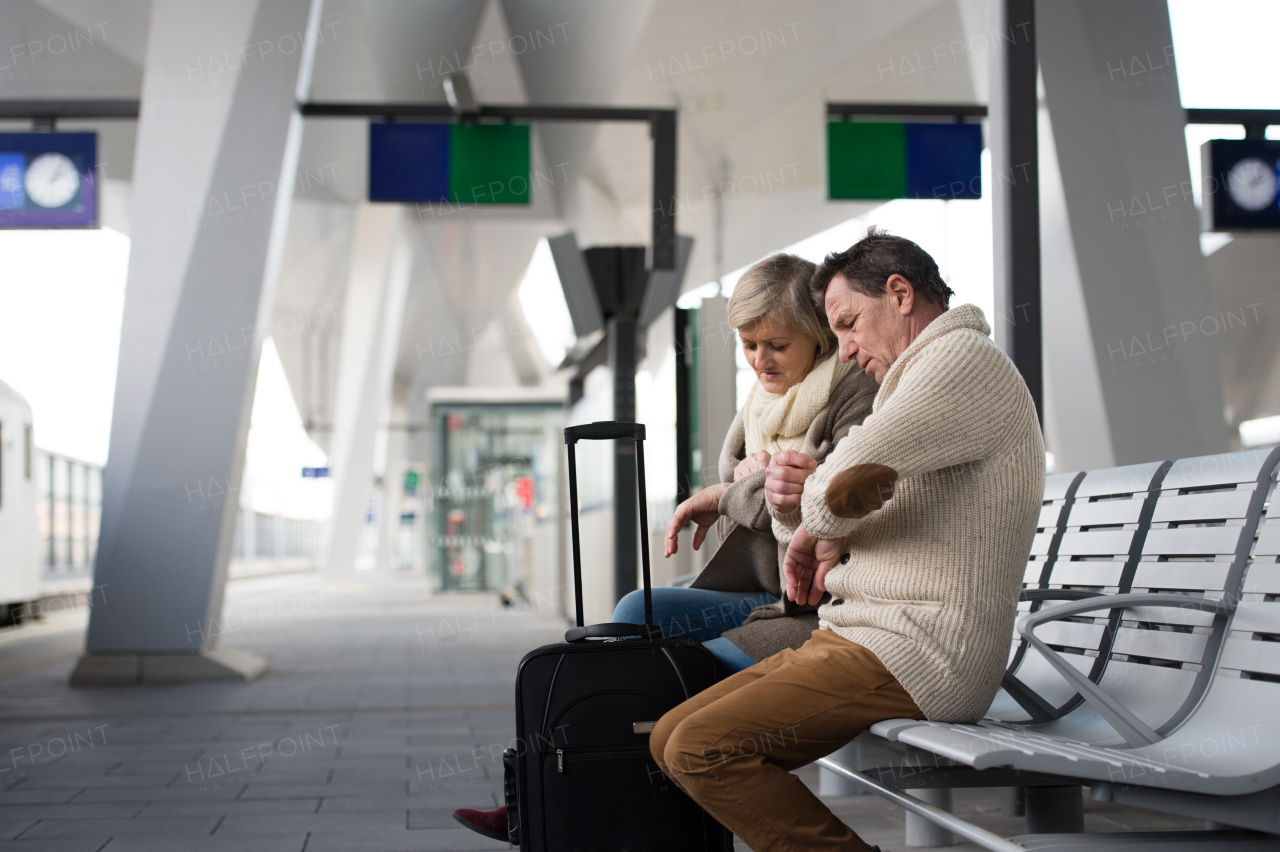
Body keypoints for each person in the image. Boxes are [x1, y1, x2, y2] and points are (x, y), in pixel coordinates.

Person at [453, 252, 879, 843]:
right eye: (749, 344)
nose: (760, 360)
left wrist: (741, 488)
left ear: (815, 335)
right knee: (634, 614)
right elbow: (741, 475)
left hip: (813, 608)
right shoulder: (763, 402)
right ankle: (541, 789)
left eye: (776, 344)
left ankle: (581, 809)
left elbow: (806, 502)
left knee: (661, 676)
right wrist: (748, 483)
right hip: (759, 592)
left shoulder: (851, 389)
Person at [649, 228, 1045, 852]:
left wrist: (811, 510)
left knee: (703, 748)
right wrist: (798, 514)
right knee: (670, 737)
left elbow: (841, 484)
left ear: (900, 293)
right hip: (860, 634)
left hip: (920, 650)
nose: (847, 349)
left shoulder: (960, 361)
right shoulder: (910, 380)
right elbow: (834, 500)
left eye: (849, 324)